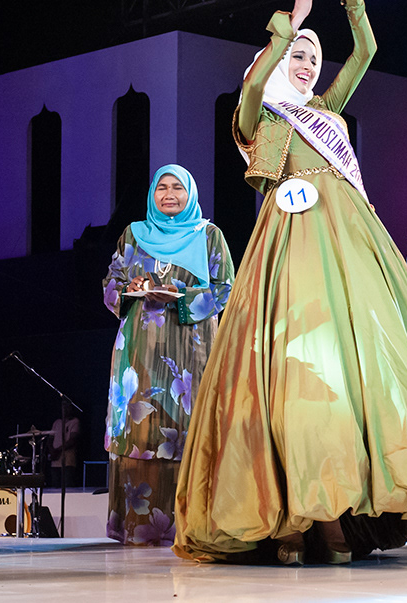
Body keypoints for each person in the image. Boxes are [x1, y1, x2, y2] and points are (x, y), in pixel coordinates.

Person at [173, 0, 407, 566]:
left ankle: (340, 515)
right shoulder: (262, 117)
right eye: (296, 54)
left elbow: (367, 50)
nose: (305, 62)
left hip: (350, 241)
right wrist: (295, 11)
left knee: (357, 371)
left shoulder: (329, 111)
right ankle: (290, 517)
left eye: (313, 56)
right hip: (289, 247)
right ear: (273, 62)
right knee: (293, 371)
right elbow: (259, 80)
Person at [101, 164, 234, 546]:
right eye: (162, 187)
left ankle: (193, 527)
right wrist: (132, 287)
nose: (170, 194)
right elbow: (111, 286)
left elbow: (227, 289)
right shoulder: (133, 234)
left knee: (188, 430)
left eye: (178, 187)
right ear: (152, 195)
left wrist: (182, 299)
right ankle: (139, 528)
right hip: (139, 352)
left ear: (190, 194)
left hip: (192, 351)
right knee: (141, 430)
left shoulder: (209, 235)